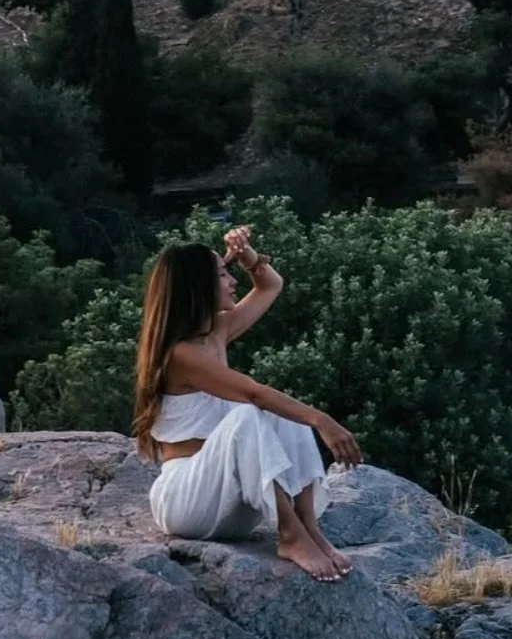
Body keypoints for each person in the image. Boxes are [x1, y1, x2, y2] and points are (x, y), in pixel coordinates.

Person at [133, 224, 362, 582]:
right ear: (198, 287)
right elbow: (254, 394)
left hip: (235, 502)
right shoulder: (180, 354)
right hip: (188, 502)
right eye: (223, 275)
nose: (232, 282)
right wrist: (322, 420)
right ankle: (290, 534)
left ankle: (307, 526)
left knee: (285, 414)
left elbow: (270, 285)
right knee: (251, 412)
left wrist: (246, 256)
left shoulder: (217, 333)